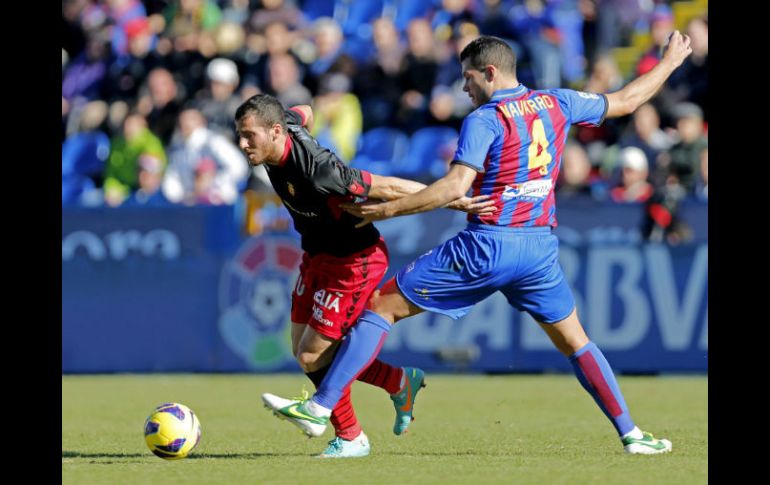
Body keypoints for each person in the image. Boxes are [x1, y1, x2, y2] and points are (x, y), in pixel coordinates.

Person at [262, 32, 693, 455]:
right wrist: (671, 63)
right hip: (538, 250)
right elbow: (627, 100)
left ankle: (320, 407)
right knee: (576, 342)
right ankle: (632, 434)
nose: (464, 89)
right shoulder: (558, 101)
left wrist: (390, 210)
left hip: (487, 246)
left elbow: (455, 186)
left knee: (380, 307)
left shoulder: (485, 119)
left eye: (468, 79)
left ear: (490, 73)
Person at [234, 94, 493, 458]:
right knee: (303, 350)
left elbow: (386, 185)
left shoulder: (319, 169)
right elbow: (304, 111)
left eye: (249, 136)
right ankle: (399, 382)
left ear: (276, 131)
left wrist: (450, 197)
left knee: (312, 357)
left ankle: (352, 437)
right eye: (240, 136)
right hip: (317, 254)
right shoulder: (283, 126)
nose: (243, 144)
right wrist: (310, 112)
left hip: (354, 261)